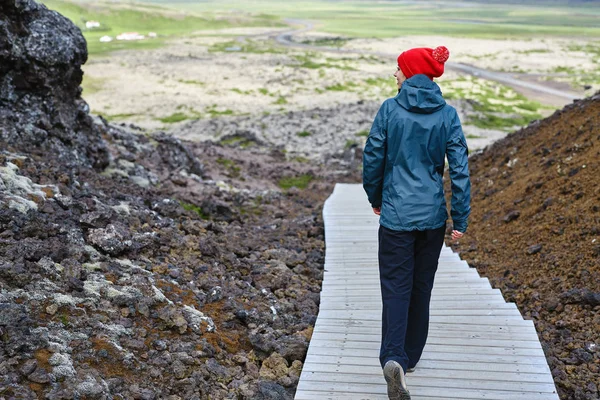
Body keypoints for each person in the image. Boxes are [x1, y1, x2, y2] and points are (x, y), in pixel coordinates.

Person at [362, 46, 471, 400]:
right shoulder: (448, 114)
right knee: (421, 287)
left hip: (396, 215)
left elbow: (373, 156)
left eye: (397, 69)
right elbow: (460, 169)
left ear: (409, 73)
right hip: (432, 218)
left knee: (396, 287)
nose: (394, 75)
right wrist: (461, 216)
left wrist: (375, 198)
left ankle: (393, 356)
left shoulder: (390, 109)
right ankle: (408, 359)